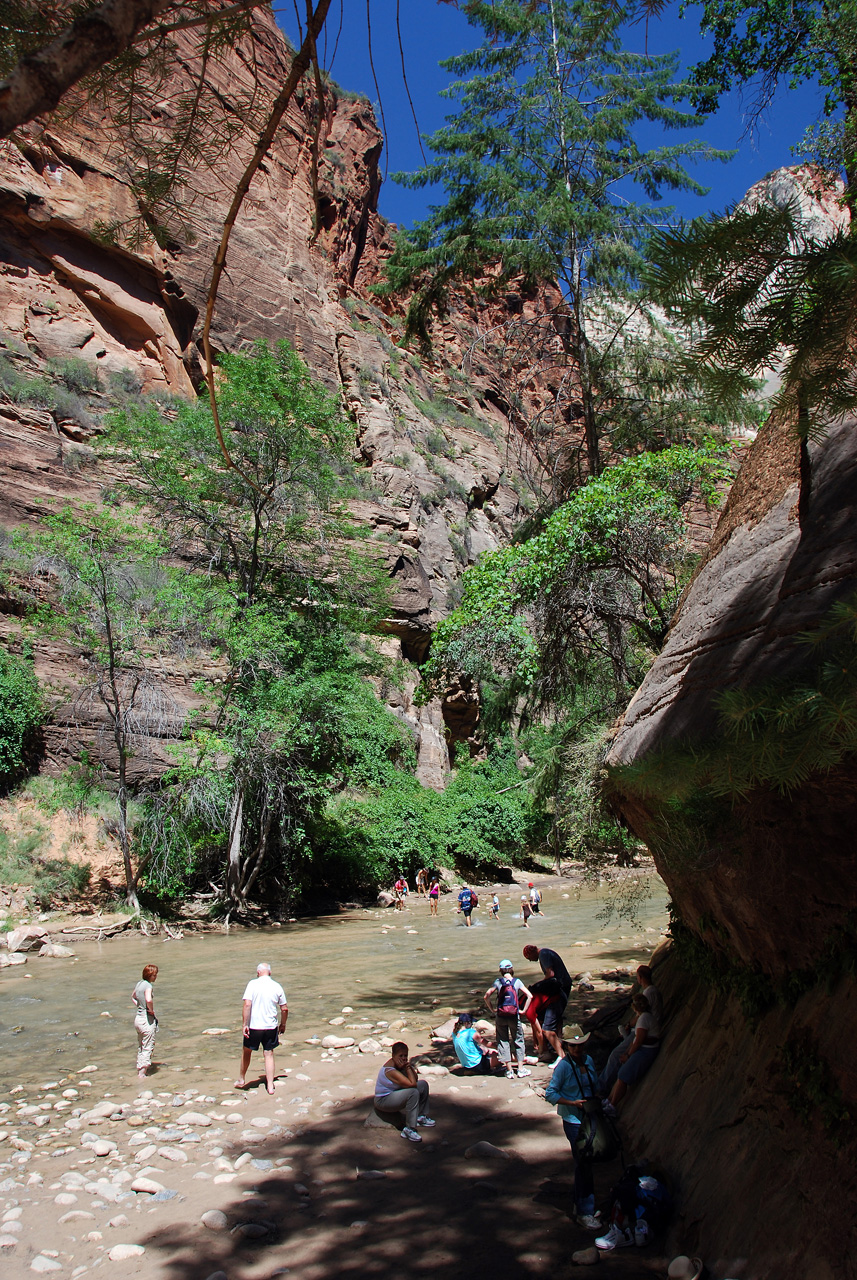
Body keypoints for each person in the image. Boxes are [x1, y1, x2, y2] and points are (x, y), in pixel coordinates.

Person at [545, 1026, 600, 1228]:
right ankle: (585, 1212)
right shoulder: (564, 1067)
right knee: (584, 1164)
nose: (577, 1049)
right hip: (573, 1121)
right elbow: (550, 1094)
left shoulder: (589, 1061)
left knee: (585, 1163)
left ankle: (581, 1204)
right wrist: (572, 1103)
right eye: (573, 1046)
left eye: (580, 1045)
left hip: (591, 1116)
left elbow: (596, 1085)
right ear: (567, 1047)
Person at [596, 966, 663, 1097]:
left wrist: (628, 1024)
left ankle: (601, 1086)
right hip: (649, 1028)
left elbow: (639, 1029)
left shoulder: (648, 994)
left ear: (640, 978)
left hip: (646, 1030)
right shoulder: (653, 991)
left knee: (616, 1055)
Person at [236, 962, 288, 1095]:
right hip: (270, 1026)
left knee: (247, 1052)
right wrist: (283, 1024)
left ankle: (242, 1079)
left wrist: (245, 1025)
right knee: (268, 1054)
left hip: (254, 1026)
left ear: (258, 973)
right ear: (269, 973)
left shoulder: (252, 984)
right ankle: (270, 1086)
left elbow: (247, 1005)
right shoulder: (277, 986)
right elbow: (284, 1008)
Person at [606, 993, 660, 1111]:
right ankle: (609, 1100)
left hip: (646, 1051)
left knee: (623, 1075)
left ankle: (612, 1105)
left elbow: (639, 1040)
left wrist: (629, 1056)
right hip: (643, 1049)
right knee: (621, 1073)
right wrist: (627, 1053)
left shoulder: (644, 1019)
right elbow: (636, 1040)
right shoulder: (643, 1018)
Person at [522, 944, 573, 1065]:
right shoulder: (546, 953)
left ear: (532, 953)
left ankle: (559, 1054)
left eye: (529, 958)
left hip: (560, 987)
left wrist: (538, 985)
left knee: (548, 1028)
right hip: (562, 987)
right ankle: (556, 1046)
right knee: (557, 1018)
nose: (530, 961)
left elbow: (550, 974)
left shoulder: (543, 955)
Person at [374, 1041, 434, 1142]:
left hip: (394, 1094)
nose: (403, 1058)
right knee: (413, 1092)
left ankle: (420, 1116)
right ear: (393, 1055)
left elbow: (415, 1079)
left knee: (423, 1085)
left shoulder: (401, 1065)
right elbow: (412, 1085)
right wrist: (407, 1068)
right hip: (383, 1100)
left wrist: (408, 1067)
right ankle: (409, 1129)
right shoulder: (390, 1070)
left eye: (405, 1056)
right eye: (400, 1055)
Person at [484, 959, 533, 1079]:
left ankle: (509, 1070)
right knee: (518, 1040)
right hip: (514, 1015)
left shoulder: (498, 982)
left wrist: (493, 1010)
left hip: (501, 1016)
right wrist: (523, 1011)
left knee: (503, 1041)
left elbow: (486, 996)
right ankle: (521, 1069)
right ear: (511, 969)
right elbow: (530, 996)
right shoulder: (517, 982)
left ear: (500, 970)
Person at [132, 963, 158, 1080]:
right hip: (146, 1020)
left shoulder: (139, 984)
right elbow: (148, 999)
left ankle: (139, 1067)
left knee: (141, 1045)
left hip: (138, 1019)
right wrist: (150, 1010)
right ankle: (142, 1073)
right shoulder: (148, 986)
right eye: (154, 975)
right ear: (149, 975)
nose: (155, 977)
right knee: (148, 1046)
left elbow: (132, 996)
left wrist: (139, 1006)